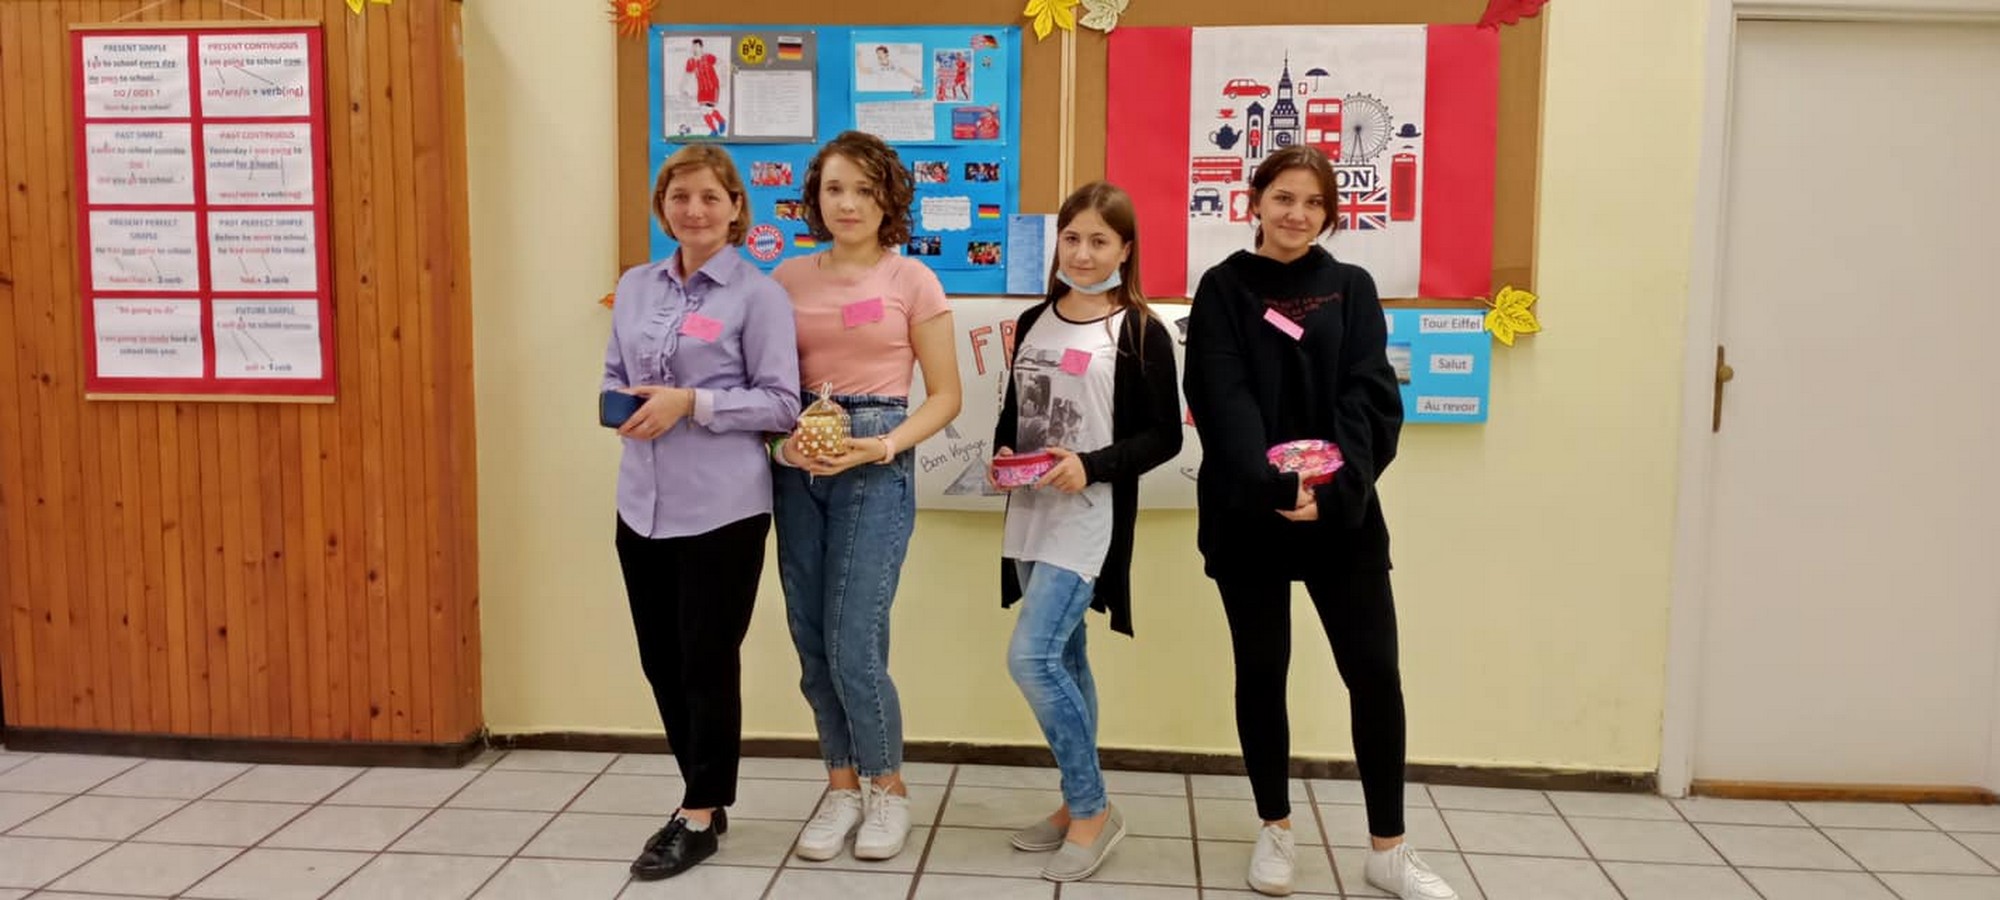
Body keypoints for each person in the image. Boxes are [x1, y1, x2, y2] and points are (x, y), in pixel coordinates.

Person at [1182, 145, 1456, 900]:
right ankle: (1275, 828)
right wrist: (1271, 484)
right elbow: (1220, 395)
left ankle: (1389, 848)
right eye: (1283, 197)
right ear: (1255, 202)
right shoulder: (1223, 287)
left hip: (1343, 513)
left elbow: (1371, 396)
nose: (1296, 214)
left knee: (1375, 673)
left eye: (1312, 202)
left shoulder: (1352, 287)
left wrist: (1332, 493)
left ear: (1329, 213)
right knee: (1262, 670)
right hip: (1249, 513)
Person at [604, 145, 802, 880]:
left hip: (722, 508)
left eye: (711, 197)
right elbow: (614, 373)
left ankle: (698, 812)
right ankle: (704, 793)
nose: (694, 210)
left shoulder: (758, 295)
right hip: (641, 504)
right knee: (661, 659)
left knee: (706, 659)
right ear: (663, 206)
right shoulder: (635, 286)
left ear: (735, 208)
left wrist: (692, 403)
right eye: (680, 196)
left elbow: (782, 403)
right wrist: (622, 406)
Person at [770, 130, 963, 863]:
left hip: (878, 461)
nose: (847, 203)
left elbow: (945, 396)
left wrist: (882, 446)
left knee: (854, 638)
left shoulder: (912, 280)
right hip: (800, 461)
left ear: (889, 199)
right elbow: (766, 387)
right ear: (815, 198)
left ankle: (888, 787)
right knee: (810, 639)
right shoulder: (785, 279)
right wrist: (782, 446)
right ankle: (841, 785)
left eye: (864, 189)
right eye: (834, 188)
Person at [989, 182, 1183, 883]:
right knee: (1066, 662)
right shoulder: (1034, 319)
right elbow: (1017, 411)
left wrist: (1091, 466)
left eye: (1100, 240)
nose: (1083, 252)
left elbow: (1164, 437)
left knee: (1031, 659)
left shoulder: (1139, 331)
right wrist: (1005, 454)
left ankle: (1094, 807)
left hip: (1089, 522)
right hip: (1031, 516)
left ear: (1125, 250)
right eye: (1072, 237)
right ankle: (1077, 803)